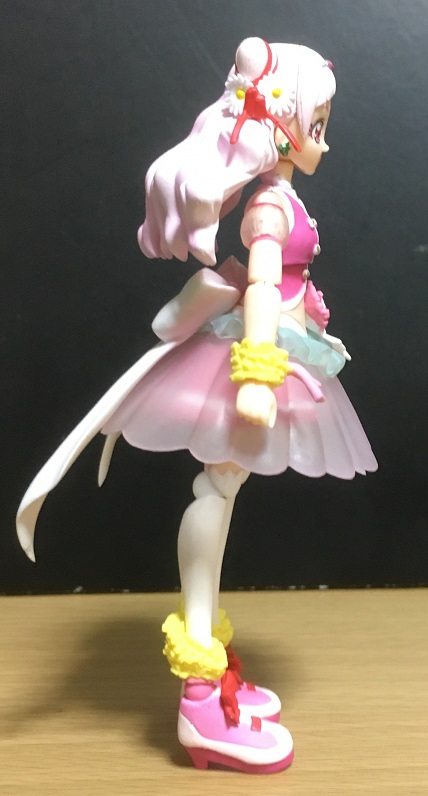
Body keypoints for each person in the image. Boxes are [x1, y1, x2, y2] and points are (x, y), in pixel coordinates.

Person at [17, 38, 377, 773]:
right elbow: (260, 281)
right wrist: (257, 373)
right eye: (317, 123)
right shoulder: (271, 204)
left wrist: (291, 315)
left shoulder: (277, 197)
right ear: (284, 126)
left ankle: (210, 670)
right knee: (216, 488)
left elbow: (261, 277)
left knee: (221, 488)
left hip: (273, 347)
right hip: (256, 358)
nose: (325, 139)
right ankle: (201, 699)